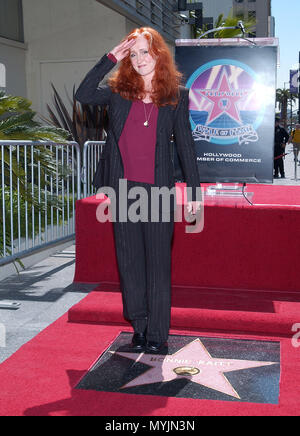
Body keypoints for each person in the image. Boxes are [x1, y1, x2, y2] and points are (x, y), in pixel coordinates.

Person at [75, 27, 201, 354]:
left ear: (158, 53)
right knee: (130, 264)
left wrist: (195, 196)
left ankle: (158, 333)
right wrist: (110, 58)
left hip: (159, 193)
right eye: (134, 54)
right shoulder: (118, 92)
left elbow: (186, 147)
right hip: (124, 192)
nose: (140, 58)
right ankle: (140, 325)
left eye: (145, 51)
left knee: (157, 265)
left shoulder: (176, 94)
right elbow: (84, 93)